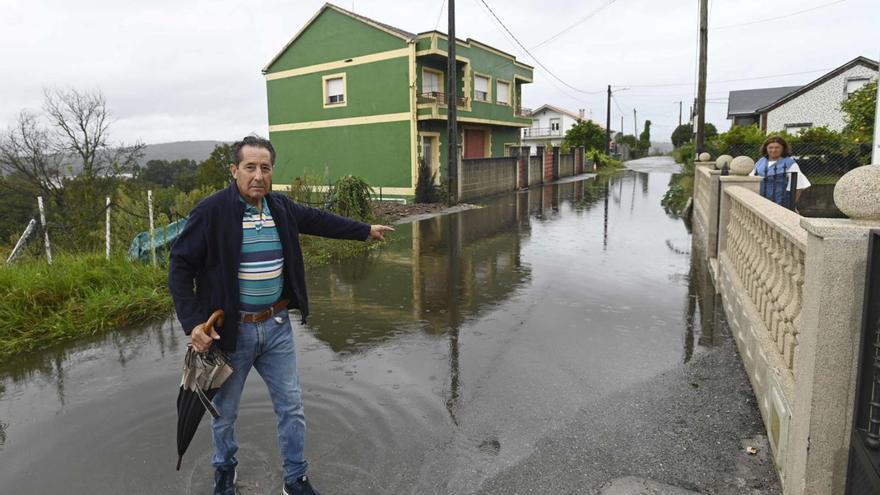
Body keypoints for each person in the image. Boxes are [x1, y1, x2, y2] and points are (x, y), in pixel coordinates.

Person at [168, 135, 393, 495]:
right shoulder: (211, 212)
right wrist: (194, 323)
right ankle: (224, 474)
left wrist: (364, 230)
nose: (258, 175)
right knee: (224, 415)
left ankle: (295, 479)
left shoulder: (280, 208)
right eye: (250, 167)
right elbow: (180, 266)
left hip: (276, 327)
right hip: (232, 333)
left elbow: (321, 220)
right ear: (234, 170)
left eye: (265, 168)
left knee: (291, 407)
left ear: (272, 172)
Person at [749, 136, 811, 208]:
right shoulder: (761, 161)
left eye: (777, 147)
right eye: (770, 147)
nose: (773, 150)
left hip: (780, 202)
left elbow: (799, 186)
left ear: (783, 149)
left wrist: (792, 206)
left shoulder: (789, 163)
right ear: (766, 148)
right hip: (760, 201)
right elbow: (751, 179)